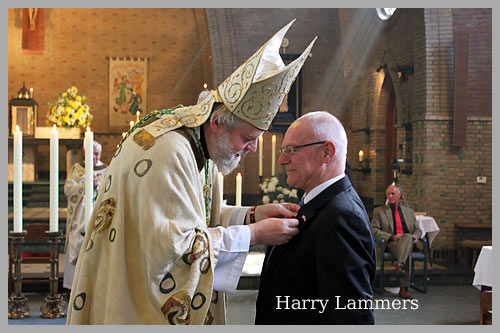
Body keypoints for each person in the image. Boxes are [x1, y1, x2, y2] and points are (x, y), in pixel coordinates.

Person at [67, 20, 316, 325]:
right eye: (247, 139)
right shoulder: (170, 150)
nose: (251, 149)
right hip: (132, 299)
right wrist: (254, 235)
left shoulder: (195, 143)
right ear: (217, 123)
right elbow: (172, 250)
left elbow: (193, 216)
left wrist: (253, 214)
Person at [255, 111, 376, 325]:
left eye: (291, 150)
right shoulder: (317, 203)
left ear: (326, 152)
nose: (282, 160)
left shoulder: (342, 218)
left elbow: (350, 317)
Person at [63, 141, 107, 291]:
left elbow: (111, 193)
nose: (94, 157)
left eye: (97, 154)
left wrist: (98, 186)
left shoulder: (106, 170)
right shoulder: (76, 170)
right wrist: (85, 185)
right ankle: (72, 289)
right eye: (91, 153)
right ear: (84, 153)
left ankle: (94, 289)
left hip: (97, 219)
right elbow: (68, 190)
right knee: (75, 250)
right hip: (78, 219)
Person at [371, 184, 422, 299]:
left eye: (392, 194)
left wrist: (415, 236)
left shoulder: (409, 211)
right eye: (388, 194)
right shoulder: (379, 211)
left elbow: (418, 229)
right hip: (393, 243)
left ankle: (400, 265)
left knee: (407, 239)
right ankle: (404, 289)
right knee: (406, 250)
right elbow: (373, 229)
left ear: (399, 195)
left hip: (408, 241)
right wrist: (391, 236)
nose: (390, 196)